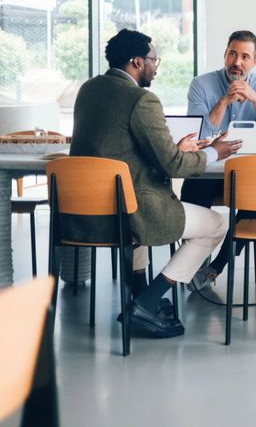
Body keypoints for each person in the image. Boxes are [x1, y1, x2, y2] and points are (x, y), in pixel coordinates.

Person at [69, 28, 242, 337]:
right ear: (137, 62)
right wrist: (214, 152)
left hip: (88, 216)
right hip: (132, 213)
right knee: (217, 225)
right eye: (153, 59)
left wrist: (177, 148)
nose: (156, 66)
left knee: (135, 219)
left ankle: (136, 297)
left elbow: (118, 147)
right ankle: (147, 302)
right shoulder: (141, 99)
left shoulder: (88, 90)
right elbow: (173, 165)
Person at [181, 30, 256, 291]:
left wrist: (255, 99)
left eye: (244, 56)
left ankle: (217, 266)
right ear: (225, 54)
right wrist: (225, 100)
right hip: (209, 173)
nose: (237, 62)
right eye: (232, 54)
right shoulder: (201, 85)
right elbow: (198, 135)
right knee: (192, 189)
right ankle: (194, 260)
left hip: (247, 175)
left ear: (254, 62)